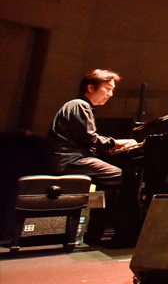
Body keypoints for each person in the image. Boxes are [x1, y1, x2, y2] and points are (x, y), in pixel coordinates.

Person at [46, 69, 138, 245]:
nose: (110, 94)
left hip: (72, 159)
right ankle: (127, 235)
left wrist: (112, 148)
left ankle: (95, 234)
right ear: (90, 87)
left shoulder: (79, 106)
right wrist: (118, 143)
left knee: (111, 182)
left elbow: (88, 142)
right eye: (107, 89)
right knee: (122, 177)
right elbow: (91, 139)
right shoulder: (79, 105)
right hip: (70, 161)